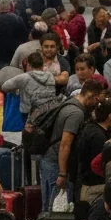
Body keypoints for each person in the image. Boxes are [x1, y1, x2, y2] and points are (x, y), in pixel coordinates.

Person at [40, 80, 103, 210]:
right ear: (90, 95)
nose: (97, 104)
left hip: (51, 160)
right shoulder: (76, 114)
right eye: (97, 100)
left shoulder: (70, 101)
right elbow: (65, 144)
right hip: (56, 164)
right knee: (55, 209)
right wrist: (62, 174)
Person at [74, 97, 111, 192]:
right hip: (94, 188)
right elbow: (99, 166)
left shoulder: (90, 127)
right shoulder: (98, 137)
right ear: (110, 116)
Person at [1, 51, 57, 121]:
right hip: (49, 112)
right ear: (43, 65)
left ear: (29, 65)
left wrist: (17, 90)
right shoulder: (50, 75)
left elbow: (4, 87)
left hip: (29, 114)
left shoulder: (24, 77)